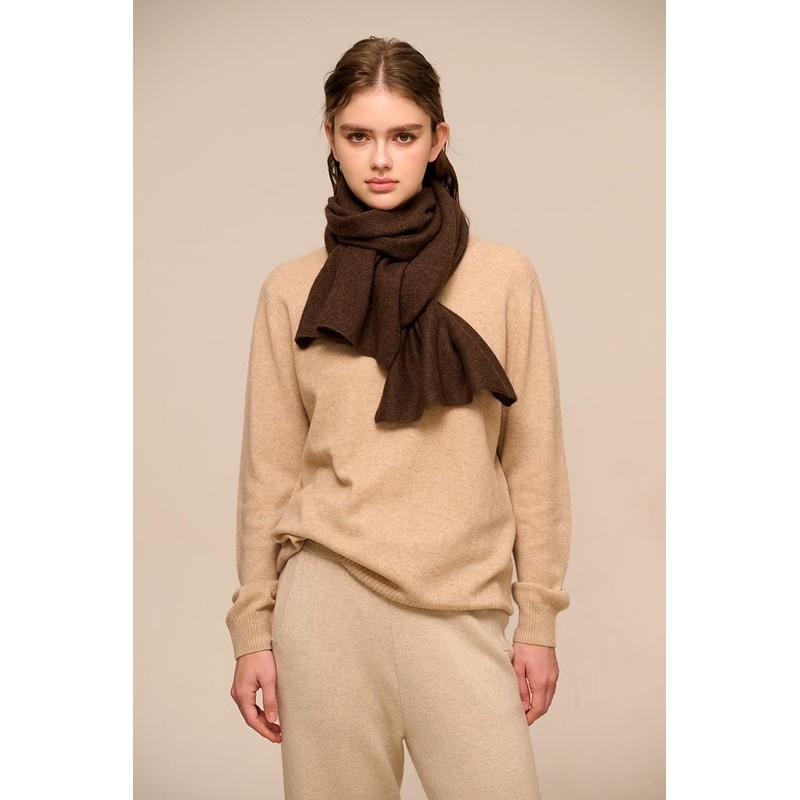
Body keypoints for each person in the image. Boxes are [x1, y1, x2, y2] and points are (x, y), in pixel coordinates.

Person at [226, 36, 572, 800]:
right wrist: (253, 631)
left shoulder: (502, 278)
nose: (380, 159)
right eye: (359, 136)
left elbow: (534, 461)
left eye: (403, 136)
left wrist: (539, 619)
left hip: (460, 607)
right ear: (330, 139)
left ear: (438, 140)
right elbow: (269, 475)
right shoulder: (292, 290)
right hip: (324, 612)